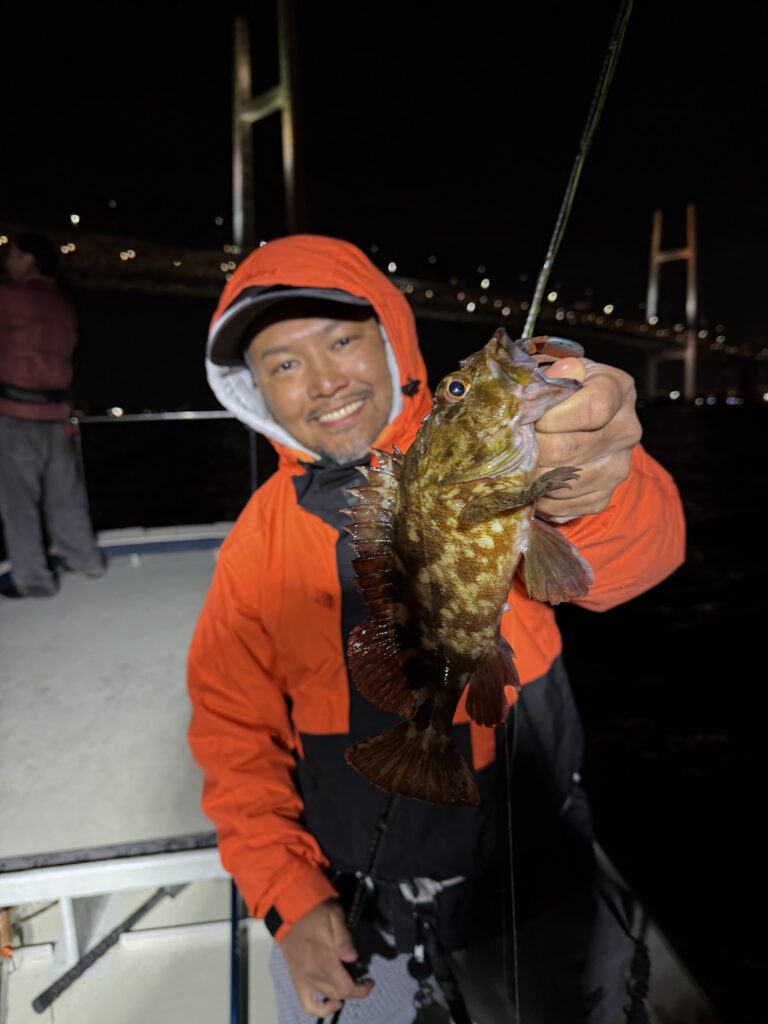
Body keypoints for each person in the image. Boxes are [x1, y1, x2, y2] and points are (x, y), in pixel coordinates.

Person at [187, 234, 685, 1023]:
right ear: (255, 391)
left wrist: (589, 486)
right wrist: (287, 896)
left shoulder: (486, 455)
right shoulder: (254, 546)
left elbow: (639, 559)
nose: (323, 381)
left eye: (341, 341)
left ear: (390, 341)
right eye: (283, 363)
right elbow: (231, 735)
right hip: (360, 915)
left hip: (539, 886)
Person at [0, 232, 104, 598]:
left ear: (29, 259)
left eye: (13, 254)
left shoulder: (9, 297)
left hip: (16, 412)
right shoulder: (62, 305)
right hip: (58, 414)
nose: (7, 261)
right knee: (65, 496)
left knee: (19, 502)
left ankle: (34, 581)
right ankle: (85, 559)